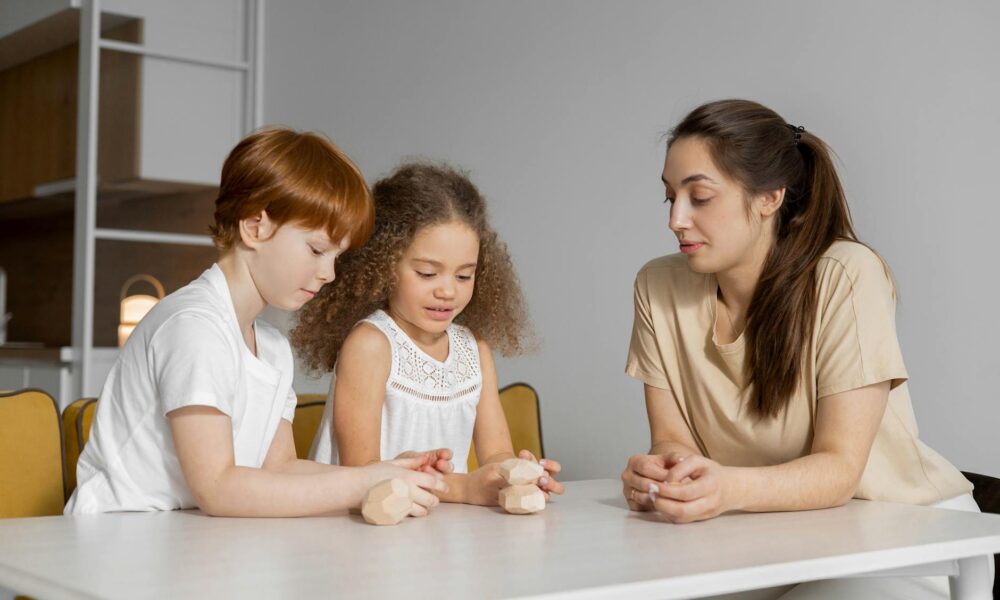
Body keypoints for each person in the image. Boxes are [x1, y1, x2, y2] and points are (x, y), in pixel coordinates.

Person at [620, 99, 991, 598]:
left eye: (700, 197)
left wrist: (725, 488)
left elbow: (838, 471)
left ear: (770, 197)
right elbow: (671, 438)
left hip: (903, 532)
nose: (676, 220)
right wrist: (668, 477)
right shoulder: (657, 286)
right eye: (670, 198)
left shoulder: (846, 275)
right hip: (765, 531)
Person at [66, 128, 448, 517]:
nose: (329, 273)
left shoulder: (271, 347)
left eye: (336, 255)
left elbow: (278, 469)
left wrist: (382, 474)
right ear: (255, 227)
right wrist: (359, 483)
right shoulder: (194, 327)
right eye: (317, 249)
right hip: (117, 538)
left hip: (186, 540)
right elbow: (218, 487)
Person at [293, 162, 563, 506]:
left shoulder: (473, 348)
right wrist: (462, 488)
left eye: (464, 276)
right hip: (364, 531)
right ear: (383, 265)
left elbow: (495, 452)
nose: (448, 291)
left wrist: (516, 474)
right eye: (427, 273)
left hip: (437, 528)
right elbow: (363, 473)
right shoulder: (371, 345)